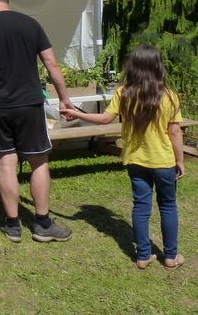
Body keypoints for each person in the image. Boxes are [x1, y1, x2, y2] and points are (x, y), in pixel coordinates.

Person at [0, 0, 73, 243]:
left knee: (6, 163)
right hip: (29, 106)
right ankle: (43, 224)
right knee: (38, 162)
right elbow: (52, 65)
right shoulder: (31, 24)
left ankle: (13, 226)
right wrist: (65, 99)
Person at [61, 45, 185, 270]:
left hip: (136, 162)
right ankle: (171, 257)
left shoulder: (123, 93)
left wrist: (75, 112)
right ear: (158, 67)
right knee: (168, 206)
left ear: (133, 67)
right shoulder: (169, 96)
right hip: (163, 161)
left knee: (141, 206)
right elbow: (175, 132)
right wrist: (180, 160)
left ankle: (143, 256)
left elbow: (104, 119)